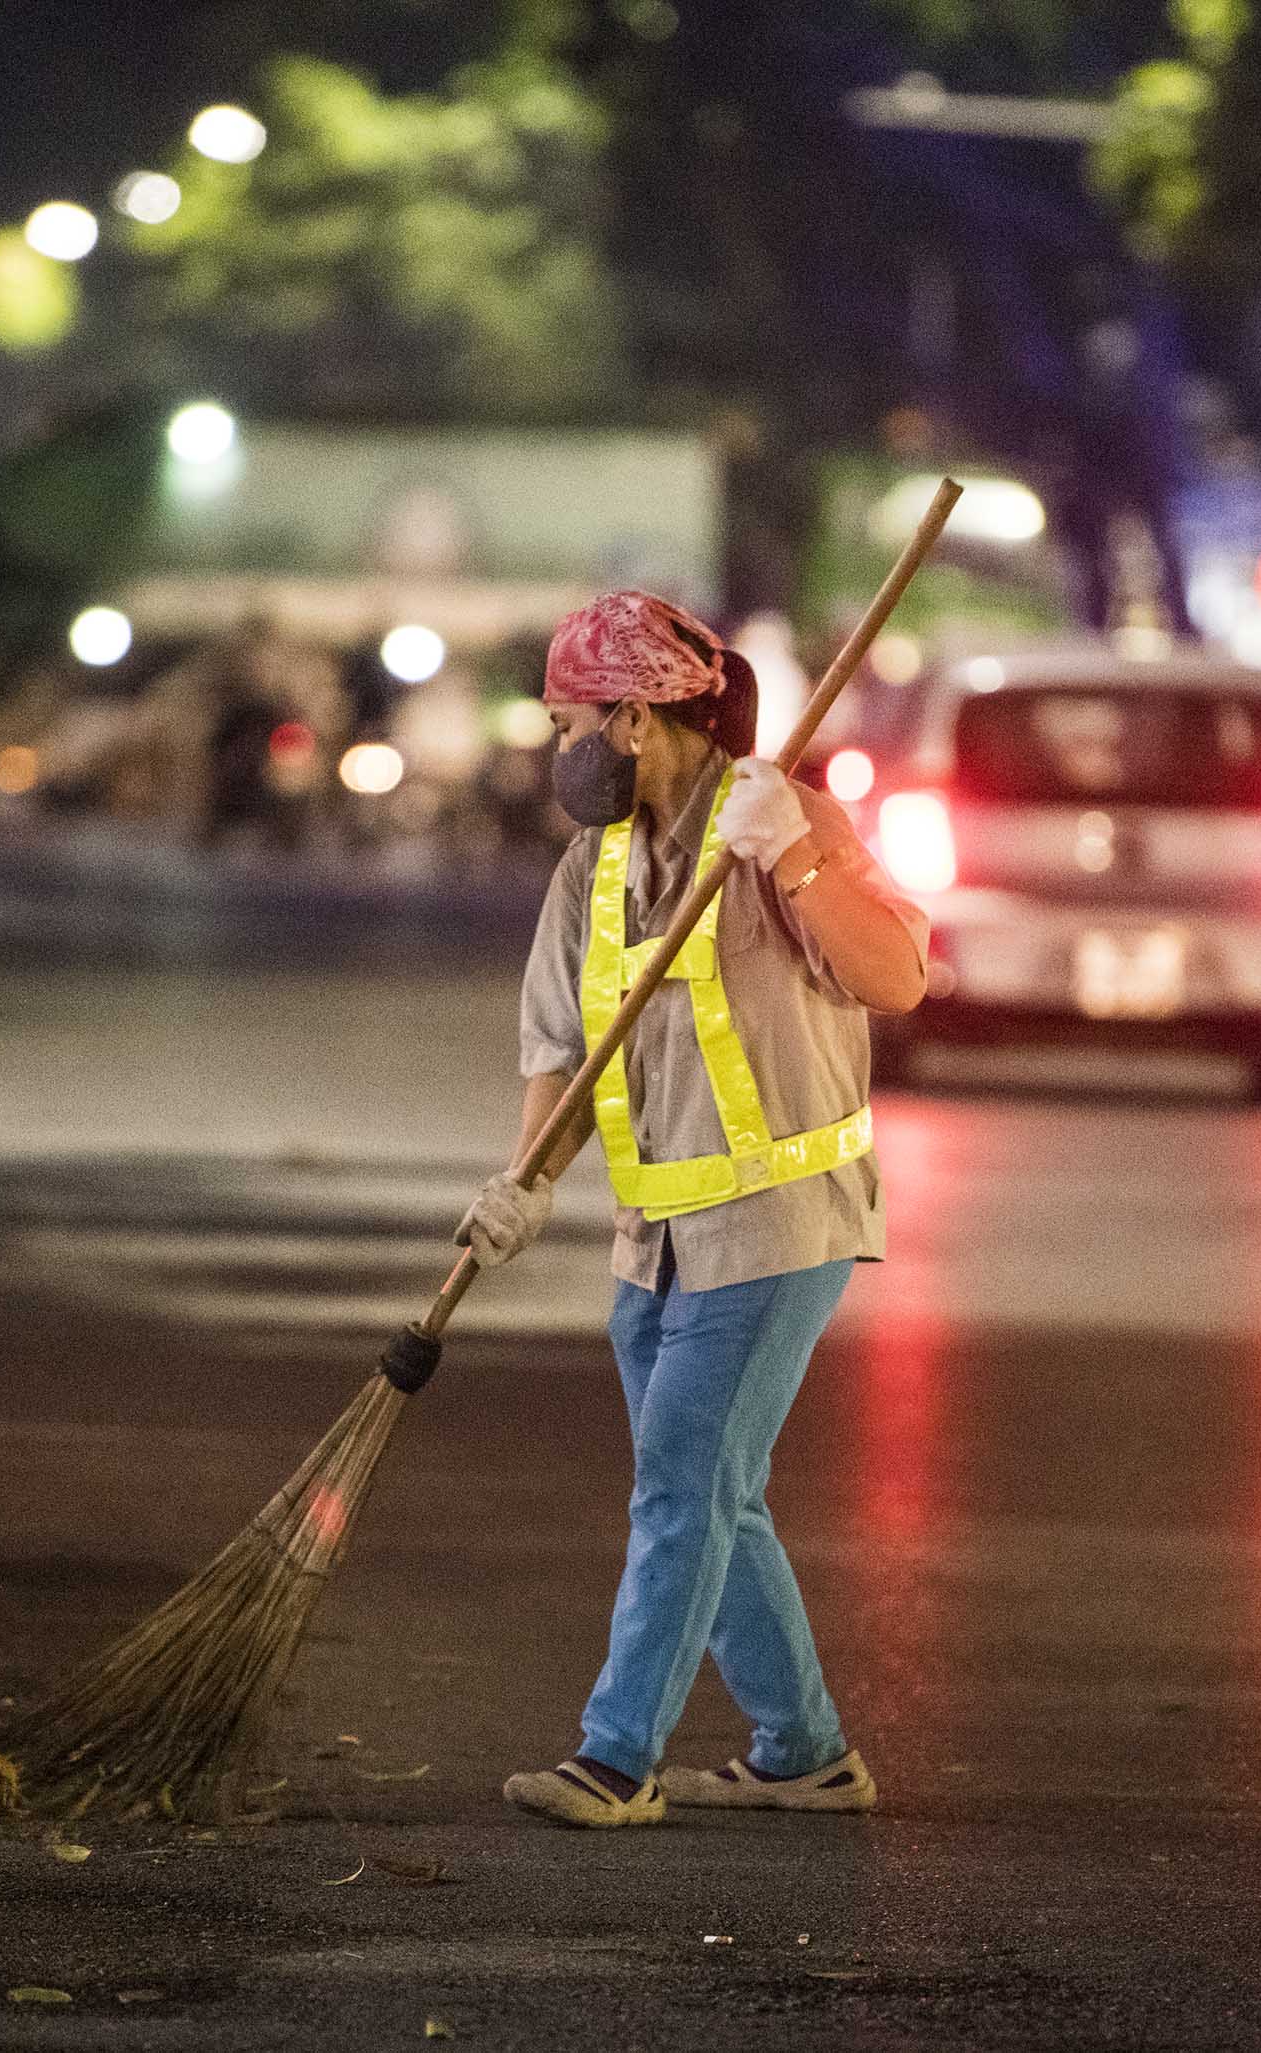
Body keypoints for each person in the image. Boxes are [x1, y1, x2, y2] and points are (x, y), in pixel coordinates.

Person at [457, 590, 930, 1830]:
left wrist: (802, 855)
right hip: (655, 1236)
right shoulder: (591, 870)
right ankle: (805, 1750)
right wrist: (524, 1187)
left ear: (636, 717)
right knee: (715, 1491)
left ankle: (616, 1756)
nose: (558, 747)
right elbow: (561, 1050)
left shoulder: (782, 823)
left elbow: (898, 975)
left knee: (683, 1482)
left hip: (779, 1221)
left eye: (570, 721)